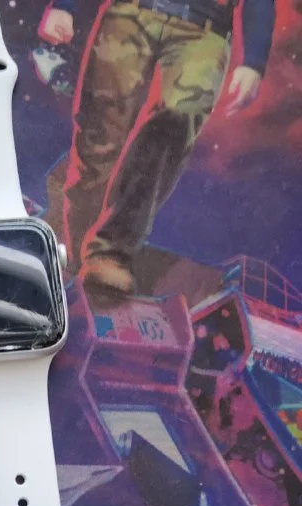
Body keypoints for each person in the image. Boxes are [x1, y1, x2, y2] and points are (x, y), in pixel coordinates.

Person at [40, 0, 275, 301]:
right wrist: (65, 6)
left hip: (205, 31)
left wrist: (254, 59)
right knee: (99, 136)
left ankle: (112, 251)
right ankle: (74, 253)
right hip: (129, 13)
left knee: (178, 119)